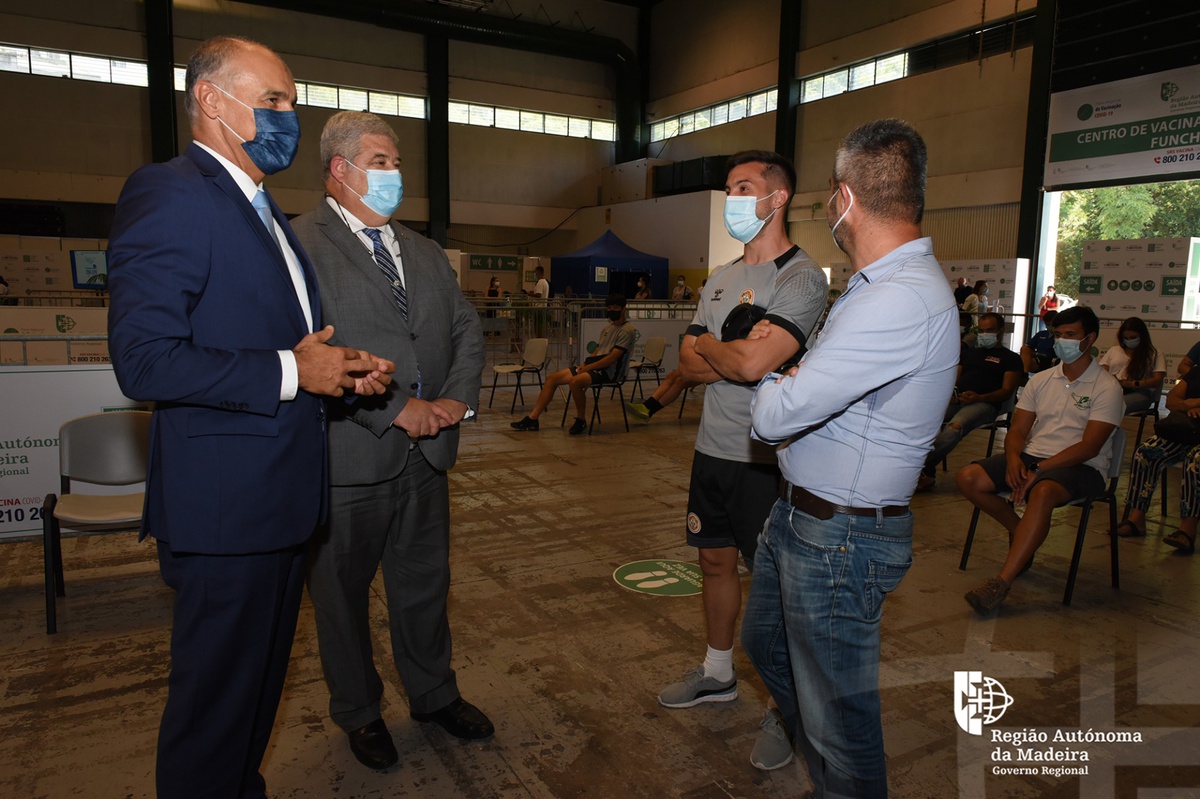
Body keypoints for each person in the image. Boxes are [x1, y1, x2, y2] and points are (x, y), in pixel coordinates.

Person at [106, 36, 395, 799]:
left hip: (280, 503)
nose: (287, 117)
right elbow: (143, 357)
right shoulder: (170, 192)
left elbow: (277, 347)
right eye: (272, 101)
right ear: (210, 99)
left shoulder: (264, 211)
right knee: (214, 709)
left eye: (290, 102)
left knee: (253, 700)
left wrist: (337, 372)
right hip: (227, 509)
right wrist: (291, 370)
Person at [744, 119, 958, 796]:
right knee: (768, 648)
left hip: (840, 537)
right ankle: (825, 765)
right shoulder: (875, 286)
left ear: (844, 198)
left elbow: (777, 410)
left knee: (844, 718)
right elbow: (809, 391)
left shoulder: (897, 299)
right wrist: (795, 379)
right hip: (804, 519)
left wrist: (774, 376)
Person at [291, 111, 491, 771]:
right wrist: (396, 408)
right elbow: (308, 353)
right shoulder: (298, 246)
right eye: (380, 161)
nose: (394, 174)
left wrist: (456, 400)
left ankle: (433, 693)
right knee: (341, 598)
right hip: (349, 454)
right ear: (340, 170)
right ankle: (359, 710)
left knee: (424, 586)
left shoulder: (424, 249)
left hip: (427, 457)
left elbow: (465, 326)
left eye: (396, 162)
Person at [656, 149, 827, 775]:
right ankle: (718, 673)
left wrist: (715, 347)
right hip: (713, 451)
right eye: (729, 187)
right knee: (714, 560)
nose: (732, 198)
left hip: (770, 459)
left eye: (744, 187)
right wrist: (726, 349)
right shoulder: (721, 277)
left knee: (778, 587)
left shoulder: (802, 278)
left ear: (776, 197)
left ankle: (785, 708)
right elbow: (688, 364)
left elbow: (753, 366)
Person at [957, 305, 1123, 615]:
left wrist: (1038, 469)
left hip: (1082, 467)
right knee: (969, 478)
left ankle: (1001, 583)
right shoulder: (1041, 380)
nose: (1063, 341)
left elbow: (1090, 447)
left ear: (1090, 339)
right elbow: (1018, 429)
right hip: (1036, 457)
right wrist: (1013, 459)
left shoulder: (1107, 388)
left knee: (1042, 492)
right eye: (1058, 335)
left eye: (1070, 335)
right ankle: (1022, 533)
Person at [916, 312, 1023, 491]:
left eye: (990, 330)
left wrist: (980, 397)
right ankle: (924, 472)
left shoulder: (1011, 358)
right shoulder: (969, 354)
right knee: (923, 420)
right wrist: (949, 394)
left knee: (955, 427)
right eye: (981, 330)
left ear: (1000, 331)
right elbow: (954, 379)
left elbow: (1006, 392)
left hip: (985, 403)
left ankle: (916, 469)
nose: (984, 334)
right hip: (959, 399)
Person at [510, 293, 638, 434]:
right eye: (609, 307)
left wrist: (588, 367)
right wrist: (584, 365)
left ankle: (580, 419)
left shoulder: (627, 330)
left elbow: (612, 358)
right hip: (595, 367)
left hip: (610, 372)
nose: (611, 310)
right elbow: (597, 351)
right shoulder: (607, 329)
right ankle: (533, 418)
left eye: (615, 307)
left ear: (623, 308)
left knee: (575, 382)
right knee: (552, 379)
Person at [1113, 370, 1200, 550]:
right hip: (1187, 429)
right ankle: (1136, 519)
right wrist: (1186, 406)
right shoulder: (1197, 371)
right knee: (1145, 453)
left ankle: (1188, 529)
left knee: (1195, 461)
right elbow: (1171, 400)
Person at [1098, 316, 1166, 414]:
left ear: (1142, 336)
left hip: (1140, 392)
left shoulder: (1155, 354)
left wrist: (1132, 384)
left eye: (1133, 337)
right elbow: (1102, 371)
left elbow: (1157, 380)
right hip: (1112, 389)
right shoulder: (1114, 350)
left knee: (1113, 406)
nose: (1129, 340)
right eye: (1125, 338)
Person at [626, 369, 698, 422]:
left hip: (707, 370)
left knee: (681, 381)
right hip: (697, 365)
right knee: (671, 375)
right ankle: (646, 406)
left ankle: (650, 411)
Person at [1021, 308, 1058, 373]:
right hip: (1037, 356)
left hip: (1049, 359)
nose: (1047, 327)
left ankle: (1025, 374)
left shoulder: (1060, 336)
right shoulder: (1041, 334)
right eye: (1046, 324)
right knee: (1024, 350)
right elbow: (1028, 346)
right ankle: (1025, 373)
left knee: (1028, 363)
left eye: (1049, 324)